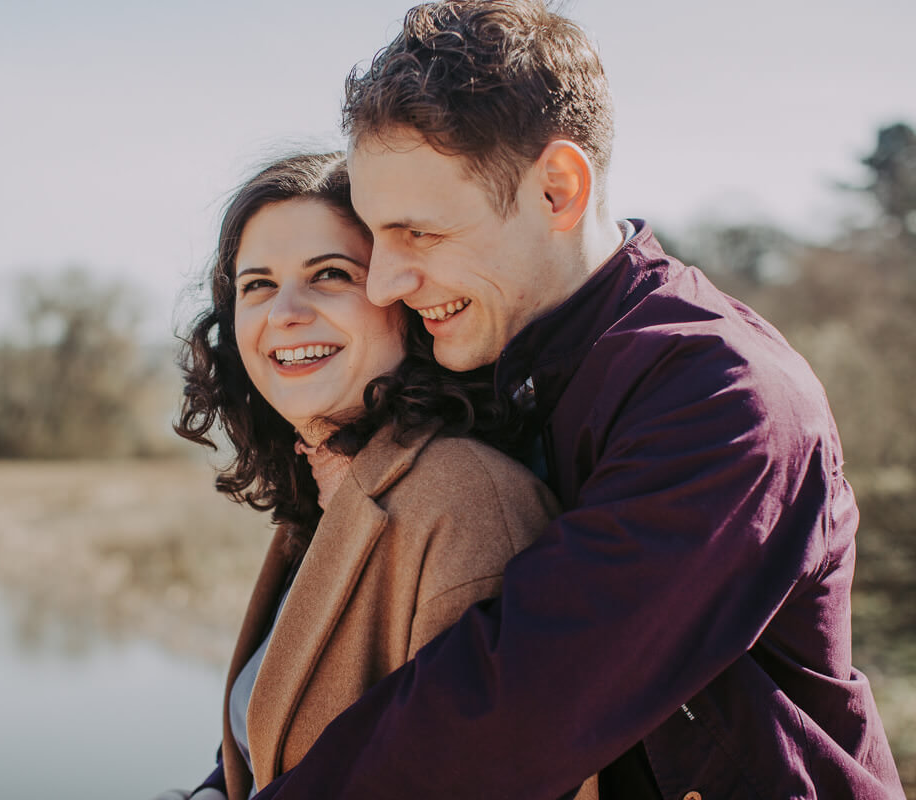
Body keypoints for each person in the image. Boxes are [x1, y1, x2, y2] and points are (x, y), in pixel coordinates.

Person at [245, 2, 905, 799]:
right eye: (376, 238)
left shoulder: (725, 398)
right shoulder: (477, 355)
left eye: (419, 234)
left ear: (558, 189)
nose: (386, 280)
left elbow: (508, 712)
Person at [158, 152, 597, 800]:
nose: (284, 313)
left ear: (405, 298)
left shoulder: (467, 505)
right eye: (256, 285)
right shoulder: (324, 492)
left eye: (329, 274)